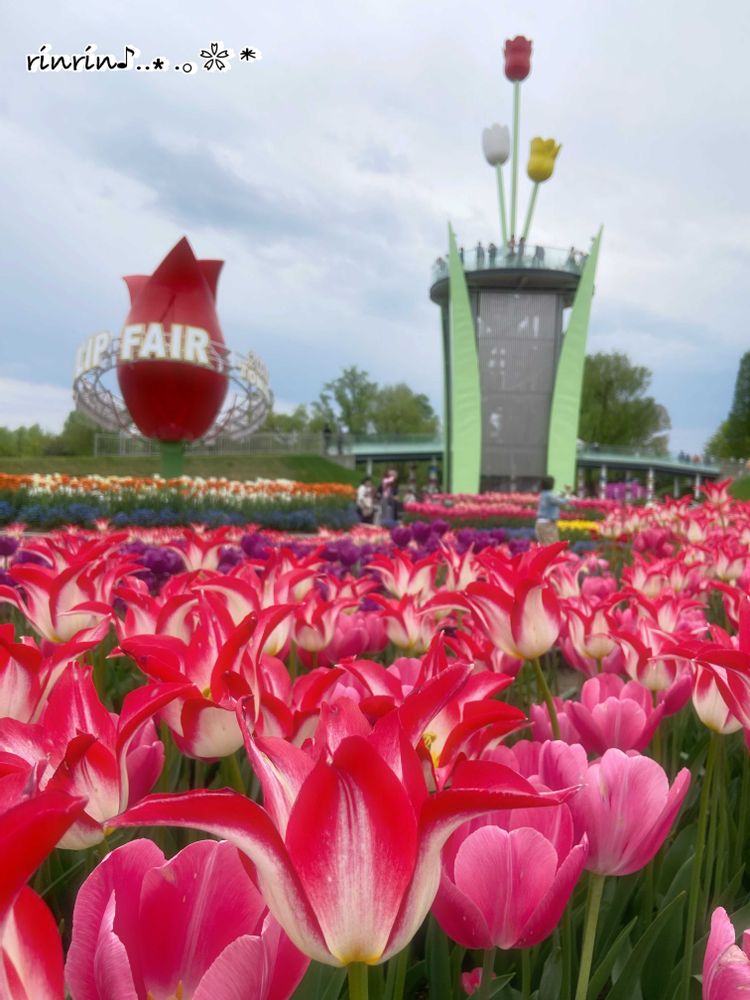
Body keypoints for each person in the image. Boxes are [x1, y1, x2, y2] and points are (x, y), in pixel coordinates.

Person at [535, 476, 572, 545]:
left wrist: (564, 493)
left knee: (543, 545)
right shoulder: (549, 495)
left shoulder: (543, 494)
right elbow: (561, 501)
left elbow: (556, 497)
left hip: (540, 523)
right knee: (551, 545)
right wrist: (568, 495)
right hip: (548, 524)